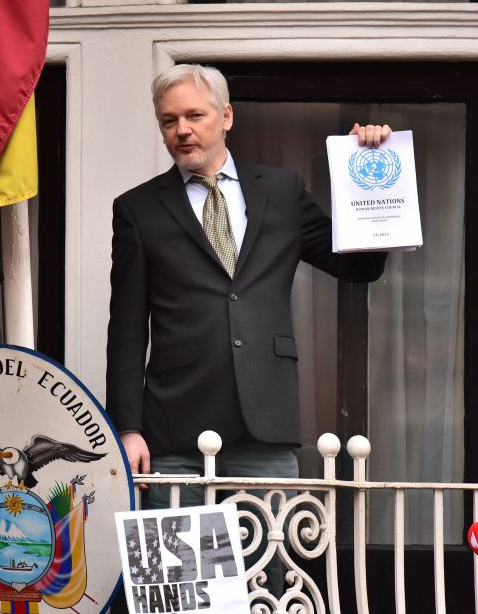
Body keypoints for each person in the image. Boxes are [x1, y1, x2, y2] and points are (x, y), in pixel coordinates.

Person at [106, 64, 390, 509]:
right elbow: (124, 330)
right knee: (181, 576)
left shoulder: (281, 191)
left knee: (266, 574)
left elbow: (361, 268)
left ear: (226, 117)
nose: (182, 130)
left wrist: (365, 171)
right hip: (174, 432)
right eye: (169, 120)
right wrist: (127, 428)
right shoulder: (137, 209)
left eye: (195, 116)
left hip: (265, 426)